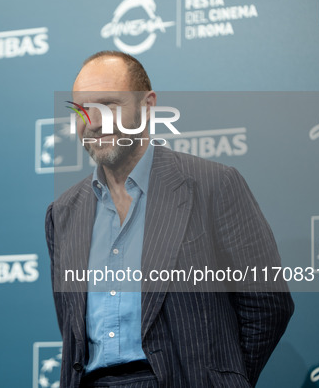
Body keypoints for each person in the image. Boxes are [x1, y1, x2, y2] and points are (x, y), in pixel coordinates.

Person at [45, 51, 294, 387]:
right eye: (82, 110)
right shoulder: (62, 213)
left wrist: (217, 377)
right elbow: (71, 330)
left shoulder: (213, 185)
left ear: (147, 106)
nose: (94, 121)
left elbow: (267, 305)